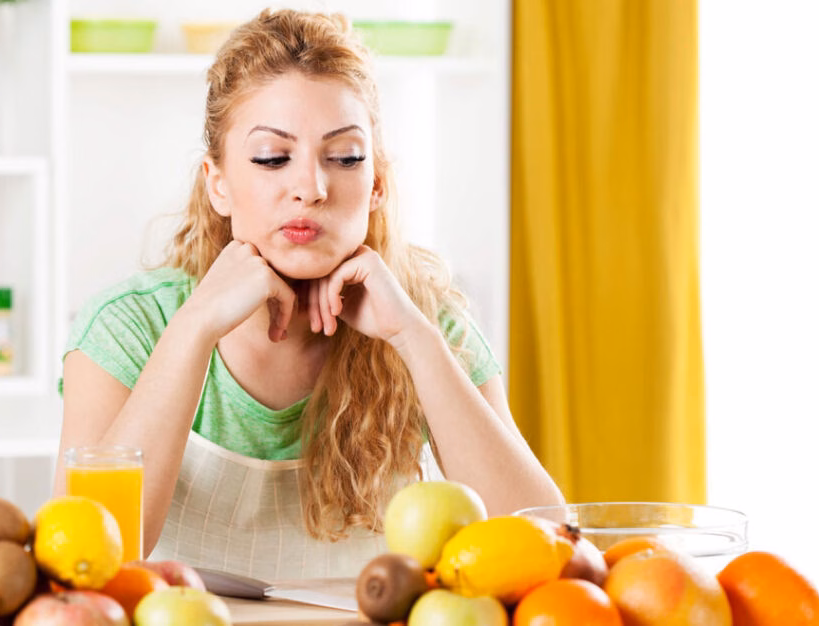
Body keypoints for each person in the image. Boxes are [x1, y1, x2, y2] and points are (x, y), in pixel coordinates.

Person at [57, 8, 564, 579]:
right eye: (272, 158)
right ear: (218, 185)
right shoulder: (127, 328)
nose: (311, 187)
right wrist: (194, 328)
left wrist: (414, 339)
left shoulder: (430, 325)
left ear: (376, 185)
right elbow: (82, 562)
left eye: (344, 158)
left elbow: (543, 544)